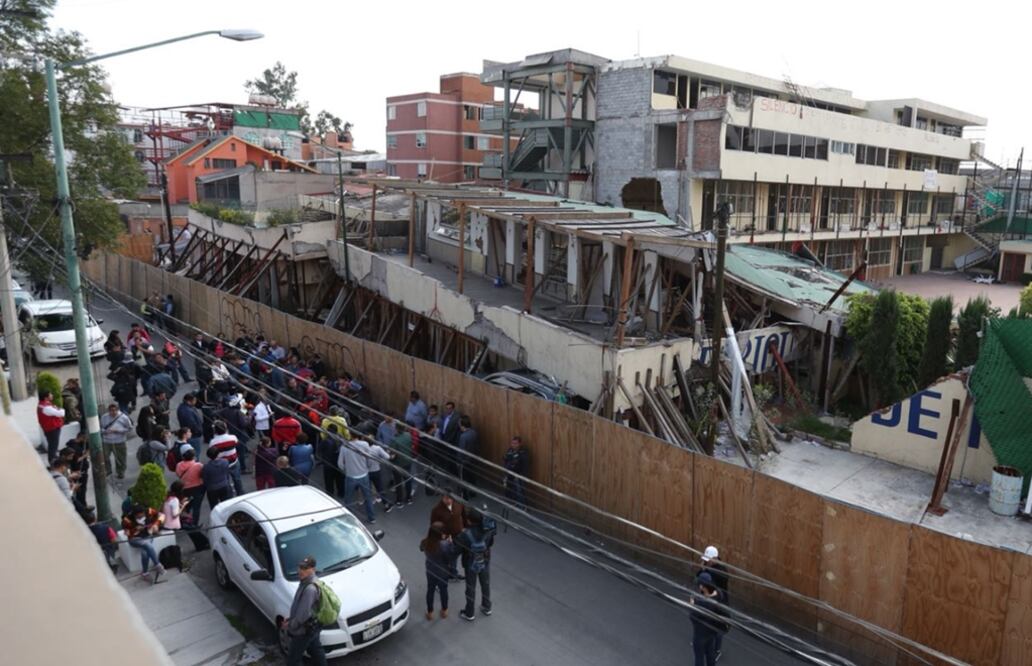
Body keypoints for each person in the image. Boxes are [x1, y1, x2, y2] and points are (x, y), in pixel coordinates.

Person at [281, 556, 327, 666]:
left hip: (303, 630)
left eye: (305, 568)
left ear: (313, 569)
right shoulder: (305, 582)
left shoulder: (310, 588)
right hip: (311, 627)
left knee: (293, 660)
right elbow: (300, 607)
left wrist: (291, 625)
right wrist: (290, 619)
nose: (301, 571)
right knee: (315, 650)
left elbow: (303, 614)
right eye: (300, 567)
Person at [337, 431, 390, 524]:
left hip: (350, 476)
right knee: (368, 497)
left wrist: (347, 470)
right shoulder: (364, 444)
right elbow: (369, 458)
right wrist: (367, 467)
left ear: (350, 435)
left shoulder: (344, 447)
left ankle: (349, 519)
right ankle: (372, 518)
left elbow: (340, 464)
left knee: (348, 499)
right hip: (364, 475)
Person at [455, 508, 496, 621]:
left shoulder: (465, 534)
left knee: (470, 588)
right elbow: (491, 542)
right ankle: (486, 607)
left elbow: (456, 550)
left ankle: (470, 613)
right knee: (485, 584)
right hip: (485, 559)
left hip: (470, 563)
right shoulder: (487, 529)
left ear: (469, 520)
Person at [689, 572, 729, 666]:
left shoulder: (700, 603)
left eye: (699, 585)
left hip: (700, 634)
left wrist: (692, 605)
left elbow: (693, 617)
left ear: (703, 587)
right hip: (711, 633)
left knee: (699, 658)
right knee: (710, 654)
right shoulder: (719, 595)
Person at [700, 545, 730, 660]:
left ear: (715, 559)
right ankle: (705, 642)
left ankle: (716, 650)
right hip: (710, 600)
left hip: (719, 603)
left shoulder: (721, 572)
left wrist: (705, 570)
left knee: (717, 627)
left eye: (708, 561)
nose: (706, 562)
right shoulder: (709, 568)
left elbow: (709, 580)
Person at [420, 521, 455, 620]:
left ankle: (430, 612)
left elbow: (421, 548)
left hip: (430, 570)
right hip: (443, 572)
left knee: (430, 590)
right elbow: (450, 558)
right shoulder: (445, 545)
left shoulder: (425, 541)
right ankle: (444, 610)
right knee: (444, 590)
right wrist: (450, 544)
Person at [122, 504, 166, 583]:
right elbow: (127, 533)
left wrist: (156, 524)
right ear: (134, 515)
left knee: (145, 552)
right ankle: (158, 565)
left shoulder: (149, 511)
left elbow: (162, 515)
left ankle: (145, 573)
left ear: (144, 512)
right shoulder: (127, 519)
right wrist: (134, 529)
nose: (141, 518)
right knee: (146, 544)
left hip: (147, 535)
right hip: (135, 539)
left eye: (142, 516)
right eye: (138, 517)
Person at [430, 494, 466, 579]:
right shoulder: (437, 511)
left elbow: (461, 518)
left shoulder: (457, 506)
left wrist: (463, 528)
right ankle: (443, 575)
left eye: (450, 499)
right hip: (445, 538)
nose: (449, 500)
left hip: (456, 536)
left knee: (454, 556)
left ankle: (453, 573)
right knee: (444, 558)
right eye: (446, 498)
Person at [209, 421, 244, 496]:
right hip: (234, 461)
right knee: (237, 479)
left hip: (222, 464)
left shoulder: (213, 442)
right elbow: (236, 444)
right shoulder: (232, 438)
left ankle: (229, 495)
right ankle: (240, 493)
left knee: (226, 480)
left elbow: (212, 451)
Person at [101, 403, 133, 481]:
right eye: (111, 411)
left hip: (119, 441)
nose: (113, 412)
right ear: (108, 411)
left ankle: (120, 472)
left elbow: (129, 428)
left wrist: (118, 431)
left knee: (120, 457)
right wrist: (105, 431)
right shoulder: (104, 417)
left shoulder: (123, 417)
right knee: (105, 457)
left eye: (115, 410)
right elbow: (100, 427)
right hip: (107, 441)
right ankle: (108, 470)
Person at [175, 449, 205, 526]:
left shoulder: (179, 465)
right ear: (193, 457)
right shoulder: (198, 465)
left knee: (186, 505)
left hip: (184, 488)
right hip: (197, 488)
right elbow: (202, 475)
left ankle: (186, 521)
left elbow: (178, 474)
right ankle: (194, 524)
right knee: (196, 507)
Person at [85, 508, 118, 573]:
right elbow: (114, 540)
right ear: (95, 518)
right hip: (108, 550)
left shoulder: (84, 532)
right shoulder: (106, 527)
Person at [390, 422, 415, 506]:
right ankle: (409, 498)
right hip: (407, 461)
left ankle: (399, 500)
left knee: (398, 482)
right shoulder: (408, 435)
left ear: (396, 428)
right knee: (407, 480)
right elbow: (411, 446)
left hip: (398, 464)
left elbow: (393, 455)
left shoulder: (395, 440)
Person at [37, 390, 66, 461]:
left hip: (49, 428)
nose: (52, 395)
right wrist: (60, 409)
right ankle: (53, 461)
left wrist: (56, 409)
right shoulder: (46, 408)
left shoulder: (42, 405)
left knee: (52, 445)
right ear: (46, 397)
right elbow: (61, 413)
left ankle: (53, 459)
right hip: (52, 429)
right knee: (53, 446)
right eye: (50, 394)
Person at [503, 436, 530, 510]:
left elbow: (524, 465)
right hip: (510, 473)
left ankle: (524, 506)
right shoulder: (510, 450)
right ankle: (517, 503)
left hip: (519, 475)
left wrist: (522, 475)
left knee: (520, 491)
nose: (514, 445)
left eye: (515, 443)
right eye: (512, 443)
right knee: (513, 490)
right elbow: (506, 460)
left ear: (520, 444)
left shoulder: (523, 452)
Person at [456, 416, 479, 498]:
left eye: (459, 424)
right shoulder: (474, 432)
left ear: (462, 425)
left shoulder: (463, 436)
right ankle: (473, 492)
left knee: (463, 478)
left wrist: (459, 461)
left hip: (464, 461)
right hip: (472, 459)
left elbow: (461, 451)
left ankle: (464, 495)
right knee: (472, 476)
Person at [318, 426, 343, 497]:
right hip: (338, 463)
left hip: (328, 463)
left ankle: (330, 494)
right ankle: (341, 493)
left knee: (329, 480)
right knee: (339, 479)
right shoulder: (340, 439)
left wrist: (322, 460)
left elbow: (319, 451)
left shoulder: (325, 441)